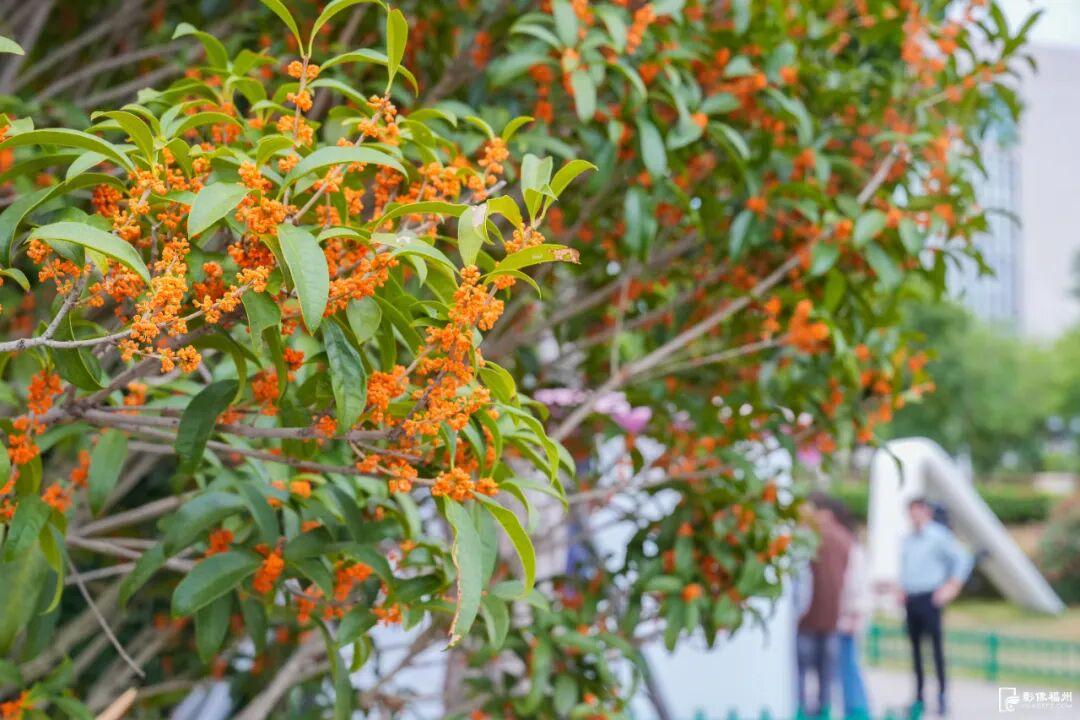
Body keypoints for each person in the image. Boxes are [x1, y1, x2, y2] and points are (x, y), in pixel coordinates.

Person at [900, 497, 974, 718]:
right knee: (916, 651)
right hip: (912, 598)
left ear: (926, 512)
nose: (914, 515)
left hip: (930, 598)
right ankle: (919, 697)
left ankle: (941, 696)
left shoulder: (938, 536)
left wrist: (952, 586)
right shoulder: (908, 539)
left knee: (935, 650)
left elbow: (962, 559)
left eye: (918, 511)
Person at [797, 492, 852, 719]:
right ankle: (824, 712)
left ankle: (799, 711)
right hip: (833, 619)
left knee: (799, 674)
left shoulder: (806, 536)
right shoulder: (844, 538)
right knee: (827, 677)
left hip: (806, 619)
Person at [831, 499, 872, 720]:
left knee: (848, 666)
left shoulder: (849, 546)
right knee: (845, 666)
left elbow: (856, 584)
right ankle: (854, 708)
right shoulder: (849, 544)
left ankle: (858, 709)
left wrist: (855, 614)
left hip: (849, 617)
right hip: (847, 615)